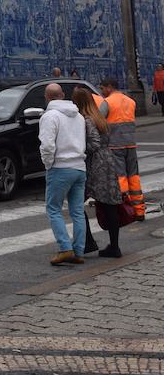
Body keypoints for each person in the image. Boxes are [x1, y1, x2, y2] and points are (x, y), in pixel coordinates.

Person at [72, 87, 124, 258]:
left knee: (77, 202)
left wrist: (80, 151)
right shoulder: (99, 117)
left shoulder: (86, 120)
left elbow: (93, 143)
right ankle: (114, 245)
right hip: (107, 161)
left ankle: (88, 242)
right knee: (109, 205)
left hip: (95, 164)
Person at [38, 83, 86, 266]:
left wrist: (48, 164)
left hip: (60, 167)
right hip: (79, 167)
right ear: (63, 95)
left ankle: (65, 248)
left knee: (53, 209)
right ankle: (79, 251)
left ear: (47, 97)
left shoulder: (50, 116)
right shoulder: (79, 116)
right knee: (77, 212)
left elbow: (47, 145)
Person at [99, 76, 145, 220]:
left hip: (115, 146)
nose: (102, 92)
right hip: (131, 144)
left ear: (109, 87)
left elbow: (100, 123)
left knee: (120, 177)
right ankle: (139, 210)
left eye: (102, 89)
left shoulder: (107, 102)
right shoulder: (131, 101)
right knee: (134, 177)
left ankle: (124, 209)